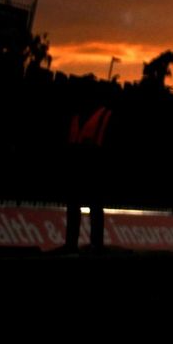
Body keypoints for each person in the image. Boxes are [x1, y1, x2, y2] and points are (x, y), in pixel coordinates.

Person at [58, 96, 113, 254]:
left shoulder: (105, 114)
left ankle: (96, 243)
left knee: (94, 204)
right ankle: (71, 243)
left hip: (94, 165)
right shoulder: (76, 116)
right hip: (76, 164)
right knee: (74, 204)